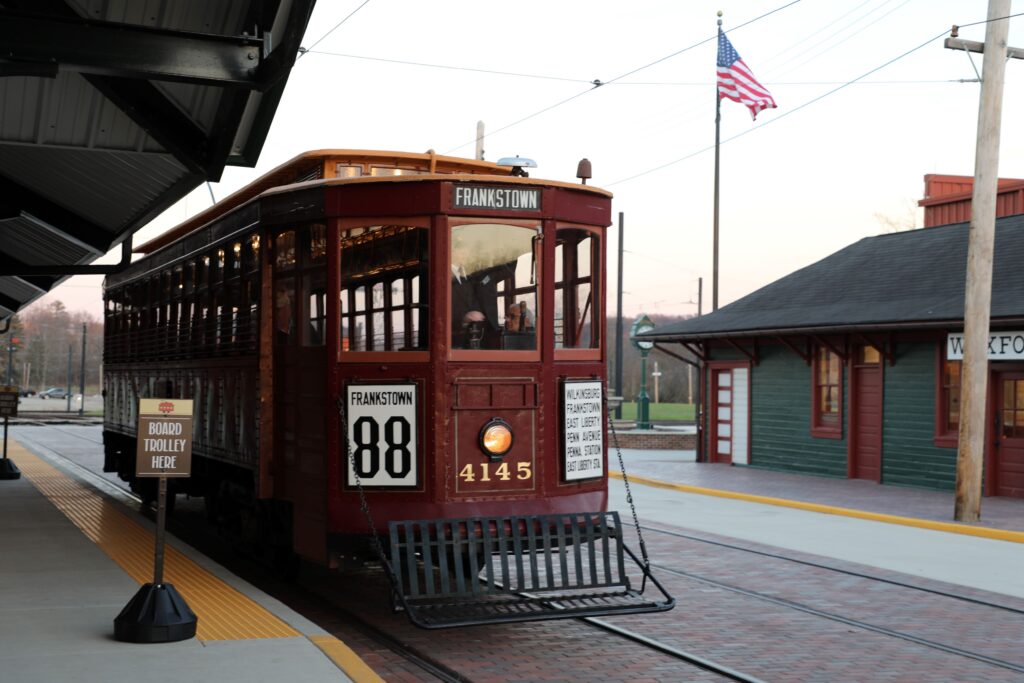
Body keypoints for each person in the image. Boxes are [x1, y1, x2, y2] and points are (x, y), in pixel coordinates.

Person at [450, 238, 515, 349]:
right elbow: (439, 308)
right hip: (454, 341)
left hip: (478, 335)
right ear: (452, 252)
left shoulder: (471, 273)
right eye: (463, 251)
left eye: (468, 251)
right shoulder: (444, 273)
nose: (467, 254)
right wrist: (464, 317)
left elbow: (508, 271)